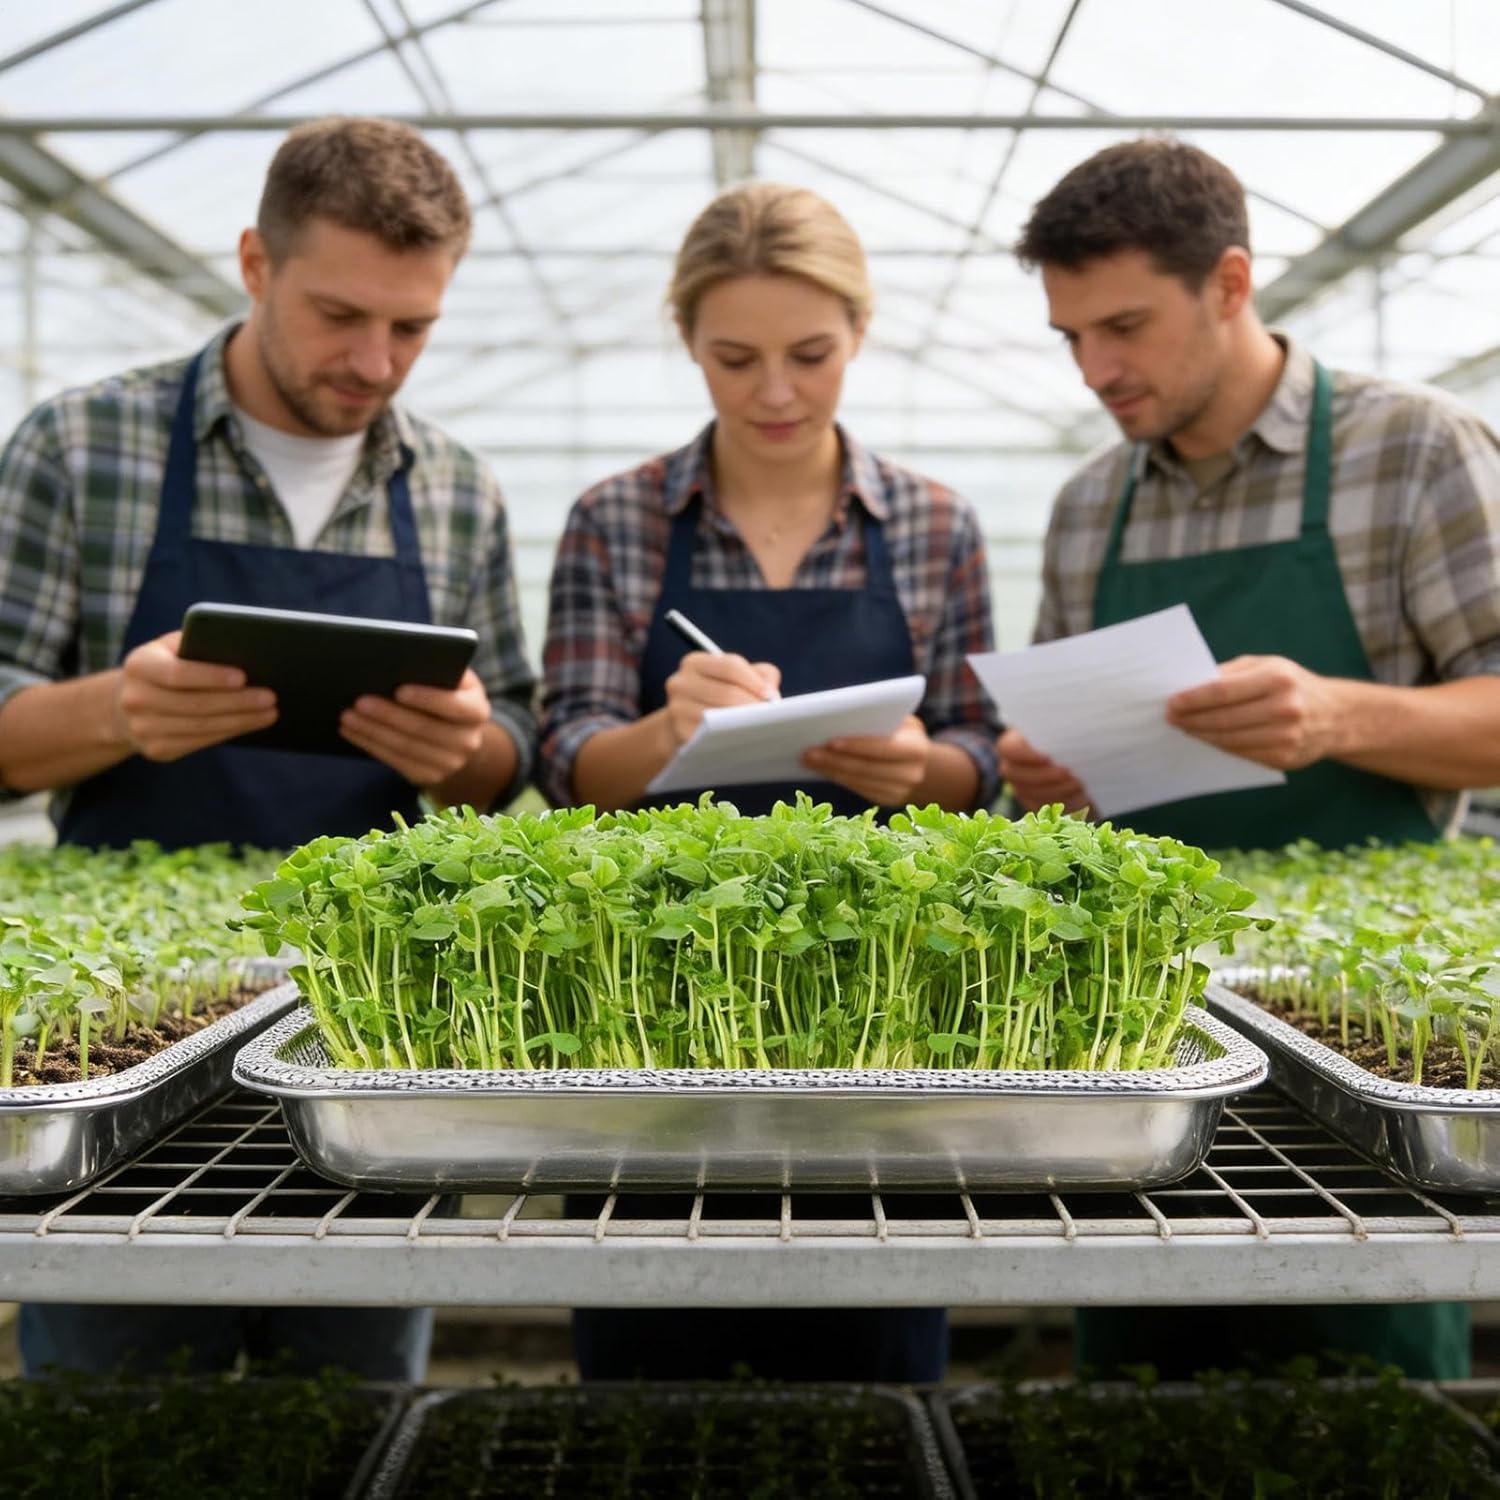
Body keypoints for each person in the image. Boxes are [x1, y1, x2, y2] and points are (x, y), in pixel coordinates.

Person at [0, 117, 538, 1378]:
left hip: (374, 1037)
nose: (374, 360)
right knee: (113, 1406)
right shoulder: (85, 448)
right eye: (340, 314)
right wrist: (114, 714)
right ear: (254, 263)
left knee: (354, 1398)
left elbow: (518, 744)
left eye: (413, 328)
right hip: (118, 1044)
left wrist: (461, 748)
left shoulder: (456, 487)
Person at [1001, 138, 1500, 1380]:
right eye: (1071, 337)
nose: (1097, 368)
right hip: (1142, 1026)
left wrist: (1340, 716)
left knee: (1364, 1377)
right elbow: (1065, 745)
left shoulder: (1416, 452)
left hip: (1363, 1027)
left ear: (1230, 283)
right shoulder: (1089, 504)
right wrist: (1050, 775)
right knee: (1137, 1358)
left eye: (1123, 325)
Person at [537, 181, 1001, 1379]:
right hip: (652, 1005)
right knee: (653, 1346)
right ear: (687, 341)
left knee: (878, 1348)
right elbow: (567, 761)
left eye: (811, 353)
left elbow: (982, 754)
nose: (776, 392)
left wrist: (922, 770)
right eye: (734, 357)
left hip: (886, 1005)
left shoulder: (935, 526)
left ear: (860, 332)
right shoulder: (618, 521)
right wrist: (667, 728)